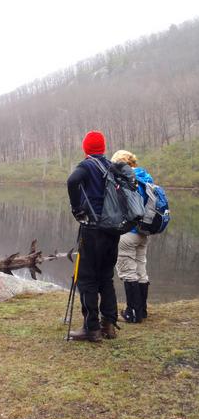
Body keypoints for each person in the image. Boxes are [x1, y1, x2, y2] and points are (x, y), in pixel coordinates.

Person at [67, 131, 120, 342]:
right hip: (112, 230)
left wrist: (76, 208)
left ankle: (91, 328)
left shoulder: (87, 165)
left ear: (86, 148)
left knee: (87, 279)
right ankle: (109, 325)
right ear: (103, 147)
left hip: (92, 230)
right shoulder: (110, 165)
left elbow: (72, 181)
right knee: (106, 277)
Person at [111, 150, 153, 323]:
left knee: (128, 272)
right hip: (144, 232)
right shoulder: (146, 178)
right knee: (141, 270)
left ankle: (132, 313)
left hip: (128, 232)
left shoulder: (125, 181)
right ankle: (142, 311)